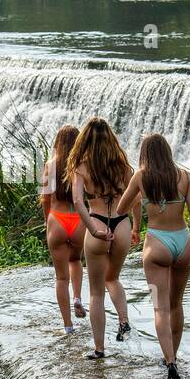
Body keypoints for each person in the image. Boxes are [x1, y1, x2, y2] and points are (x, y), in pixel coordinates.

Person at [116, 132, 190, 379]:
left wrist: (140, 197)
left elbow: (120, 209)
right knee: (177, 305)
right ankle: (173, 355)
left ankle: (169, 362)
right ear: (167, 152)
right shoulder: (185, 177)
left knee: (160, 308)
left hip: (157, 246)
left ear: (145, 154)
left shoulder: (141, 177)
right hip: (183, 244)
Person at [67, 117, 141, 360]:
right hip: (121, 224)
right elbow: (136, 199)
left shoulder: (82, 167)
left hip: (97, 222)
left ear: (85, 140)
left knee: (96, 292)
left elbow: (78, 202)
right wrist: (136, 227)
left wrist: (94, 229)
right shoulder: (123, 167)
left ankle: (99, 349)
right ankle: (124, 320)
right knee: (114, 278)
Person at [40, 125, 87, 334]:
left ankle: (68, 326)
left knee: (61, 278)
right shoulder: (82, 165)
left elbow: (45, 198)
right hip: (78, 221)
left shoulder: (50, 165)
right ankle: (77, 297)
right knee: (75, 260)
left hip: (57, 220)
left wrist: (47, 220)